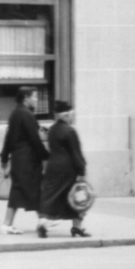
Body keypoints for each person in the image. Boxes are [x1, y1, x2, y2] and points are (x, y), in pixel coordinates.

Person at [37, 101, 88, 238]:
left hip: (53, 167)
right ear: (66, 115)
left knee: (51, 196)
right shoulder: (70, 131)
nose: (72, 117)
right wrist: (82, 170)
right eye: (71, 114)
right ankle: (77, 227)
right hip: (68, 169)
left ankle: (43, 223)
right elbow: (75, 153)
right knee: (77, 196)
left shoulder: (52, 129)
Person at [0, 86, 45, 235]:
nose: (37, 100)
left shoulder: (15, 114)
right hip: (28, 160)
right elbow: (35, 139)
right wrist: (46, 155)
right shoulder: (26, 114)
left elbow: (8, 138)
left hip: (18, 159)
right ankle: (43, 221)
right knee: (34, 189)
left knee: (18, 190)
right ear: (26, 98)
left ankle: (7, 224)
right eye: (35, 97)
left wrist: (4, 158)